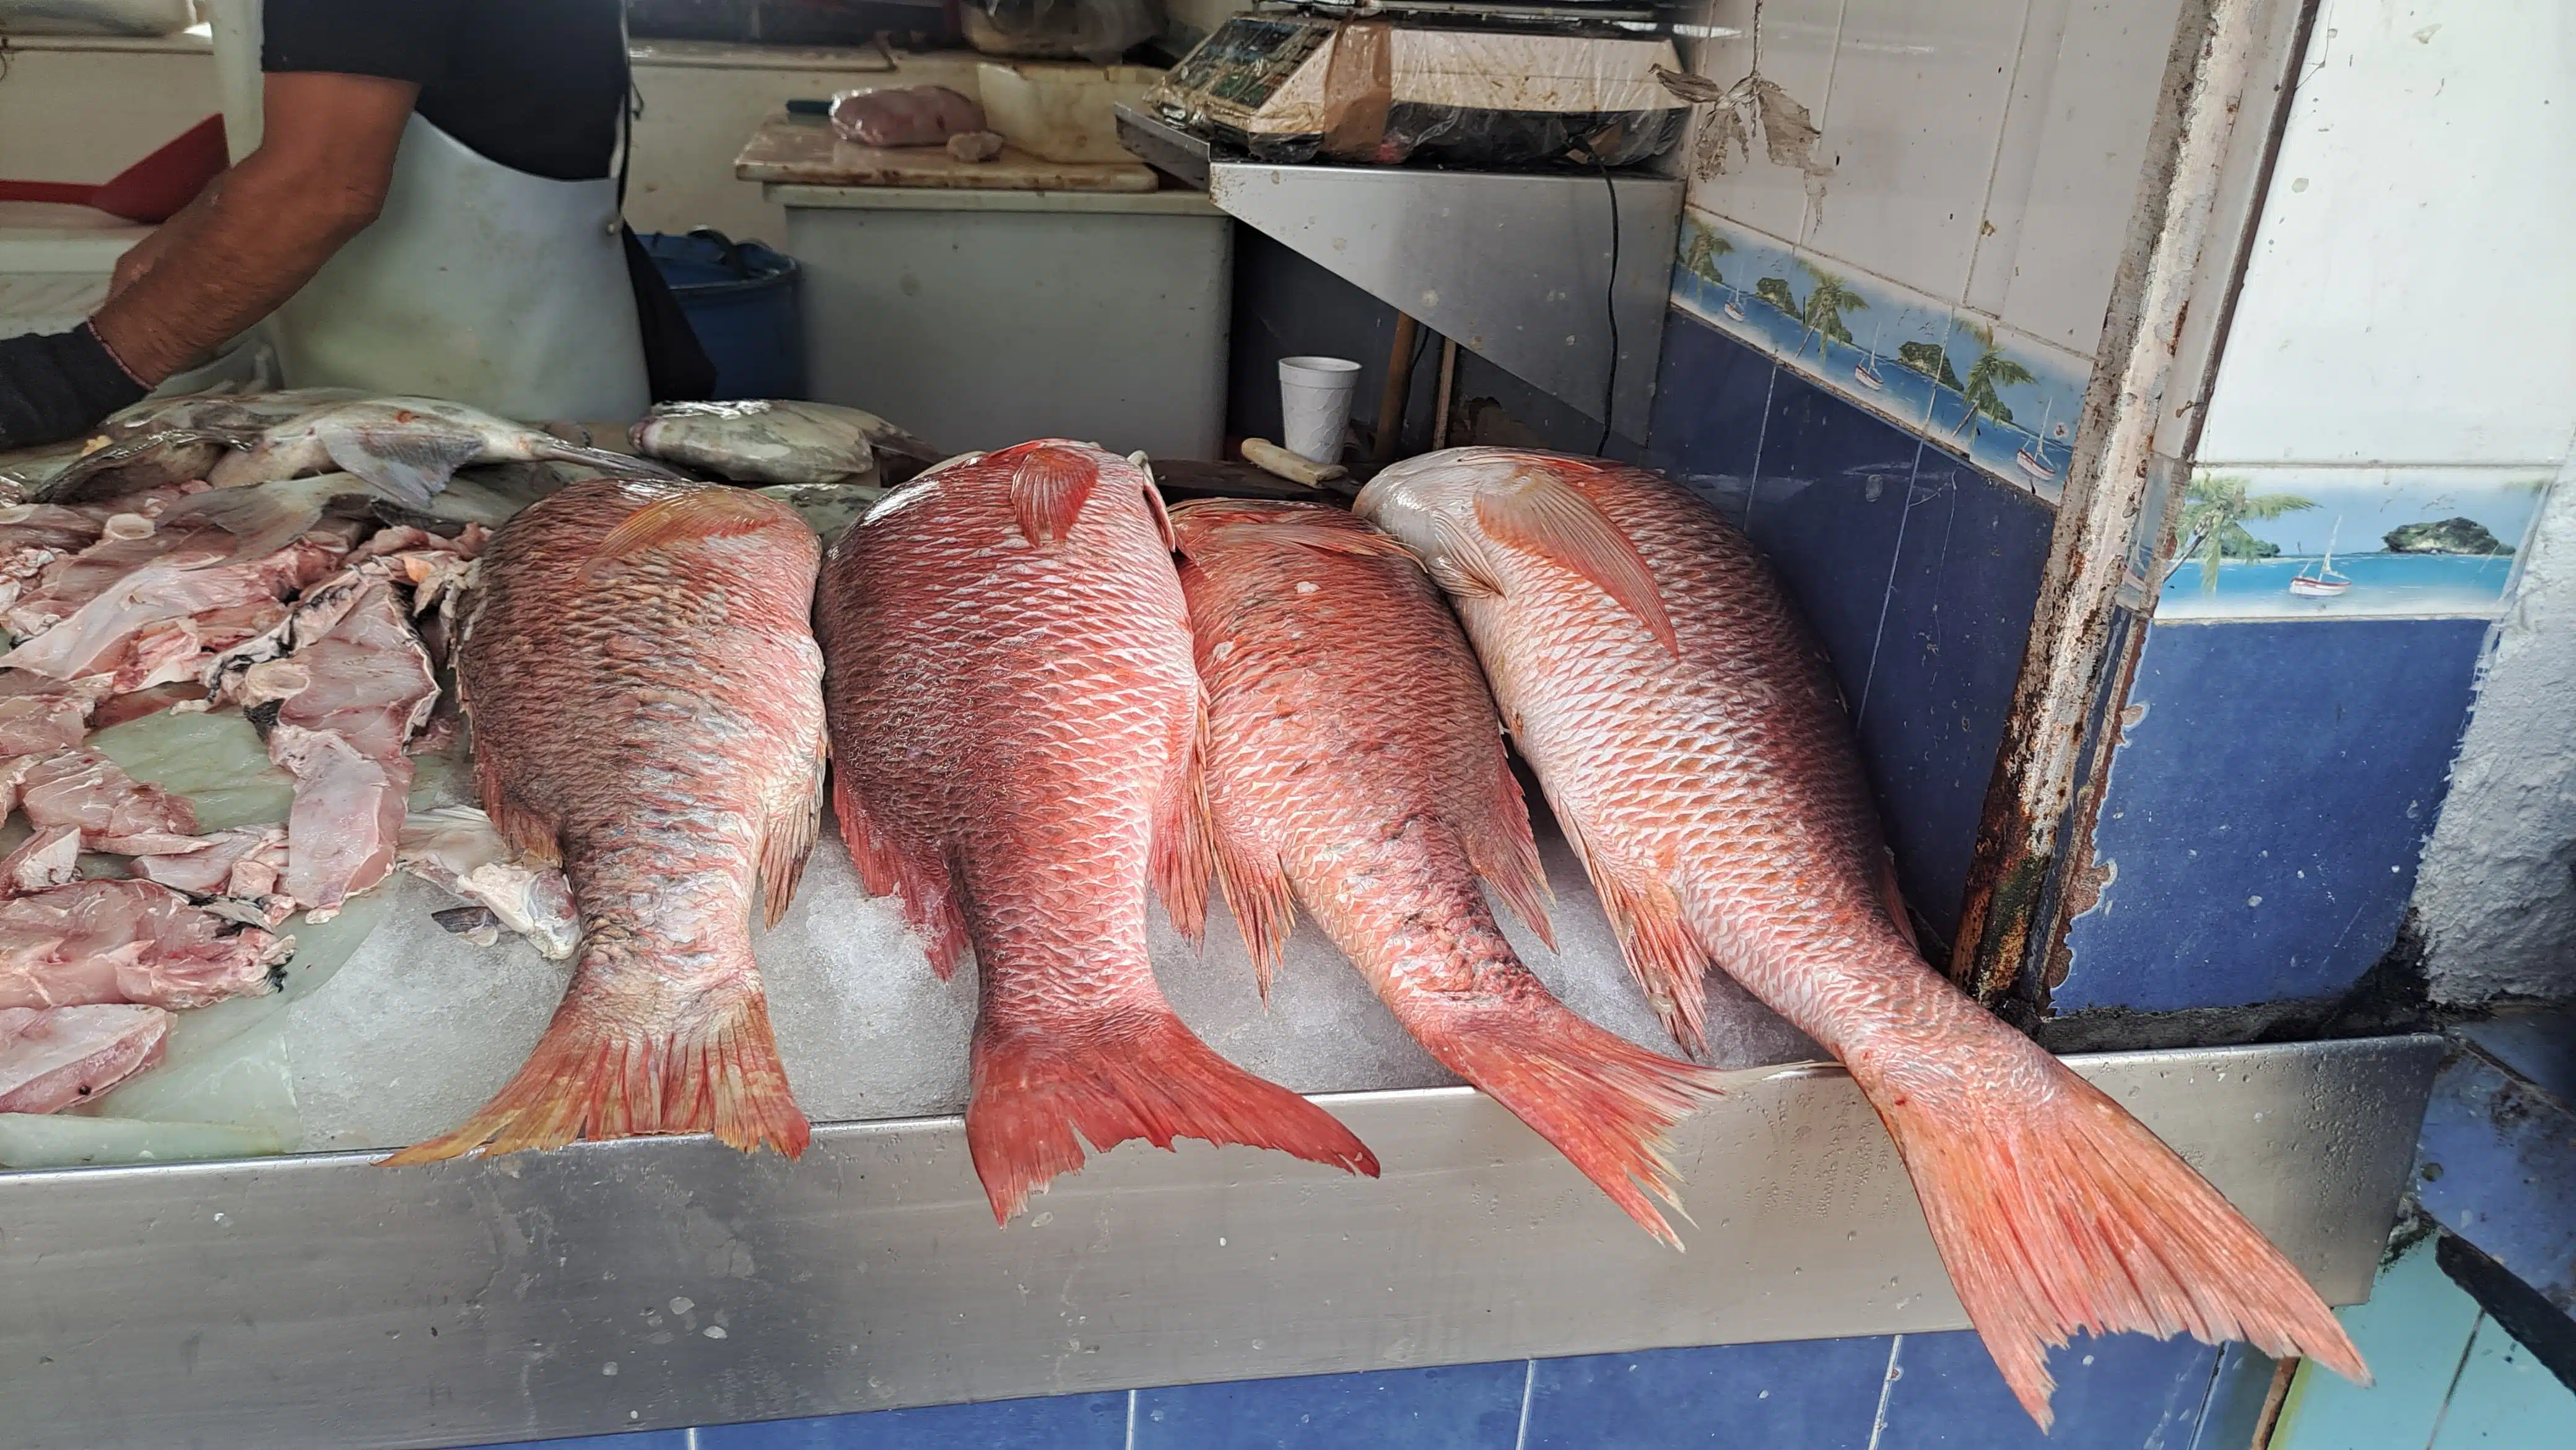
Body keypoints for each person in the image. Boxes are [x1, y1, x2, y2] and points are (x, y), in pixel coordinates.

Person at [0, 0, 713, 453]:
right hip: (386, 388)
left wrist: (75, 373)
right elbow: (327, 128)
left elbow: (324, 187)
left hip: (513, 403)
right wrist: (200, 230)